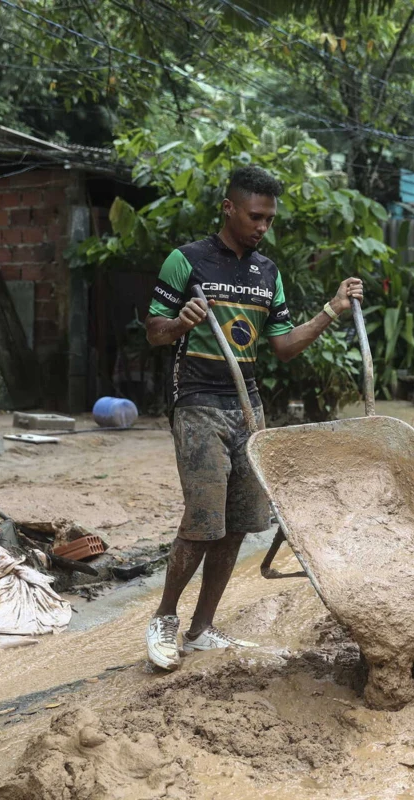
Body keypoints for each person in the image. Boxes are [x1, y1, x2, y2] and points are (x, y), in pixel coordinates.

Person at [143, 165, 363, 671]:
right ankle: (163, 619)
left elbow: (283, 347)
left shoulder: (267, 272)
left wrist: (330, 309)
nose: (263, 226)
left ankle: (202, 629)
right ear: (229, 208)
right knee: (202, 520)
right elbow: (154, 331)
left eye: (269, 219)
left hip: (249, 407)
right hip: (198, 402)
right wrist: (180, 322)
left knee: (240, 522)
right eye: (254, 215)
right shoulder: (186, 261)